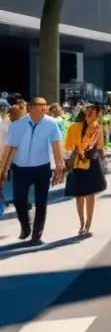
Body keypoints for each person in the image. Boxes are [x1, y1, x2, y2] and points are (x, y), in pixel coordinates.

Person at [0, 97, 65, 244]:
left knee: (41, 202)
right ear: (30, 108)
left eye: (45, 105)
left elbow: (56, 145)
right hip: (20, 169)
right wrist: (2, 170)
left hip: (42, 167)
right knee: (18, 201)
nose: (44, 108)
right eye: (40, 105)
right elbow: (9, 149)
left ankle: (37, 235)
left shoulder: (51, 124)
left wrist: (60, 164)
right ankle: (26, 227)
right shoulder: (17, 125)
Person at [64, 102, 107, 237]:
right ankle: (84, 224)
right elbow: (69, 148)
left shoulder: (96, 128)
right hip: (82, 163)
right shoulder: (77, 128)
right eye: (93, 112)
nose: (95, 114)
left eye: (94, 111)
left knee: (85, 195)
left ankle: (86, 224)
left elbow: (99, 147)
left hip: (88, 163)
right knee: (83, 195)